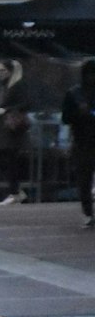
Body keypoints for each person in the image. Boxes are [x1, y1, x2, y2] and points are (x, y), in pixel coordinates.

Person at [0, 58, 33, 205]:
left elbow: (26, 103)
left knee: (9, 160)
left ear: (10, 71)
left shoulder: (17, 86)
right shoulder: (5, 87)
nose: (0, 73)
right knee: (5, 159)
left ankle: (14, 192)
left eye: (3, 70)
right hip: (6, 129)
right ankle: (16, 191)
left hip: (12, 129)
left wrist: (6, 109)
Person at [62, 60, 95, 227]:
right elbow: (66, 118)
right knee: (84, 180)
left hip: (82, 141)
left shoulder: (74, 93)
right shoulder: (74, 93)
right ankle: (88, 212)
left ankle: (88, 213)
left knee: (84, 179)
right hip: (82, 141)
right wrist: (79, 114)